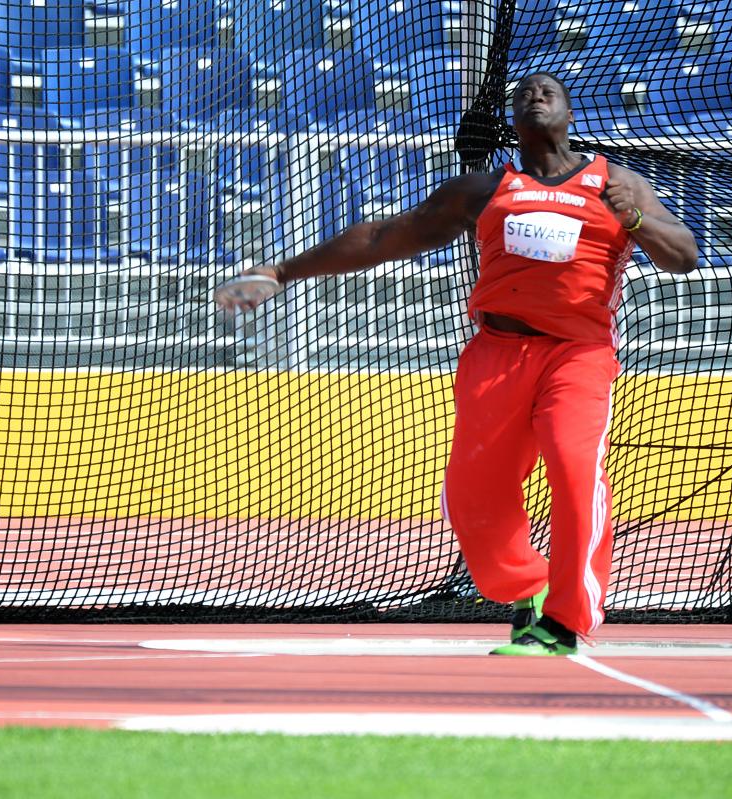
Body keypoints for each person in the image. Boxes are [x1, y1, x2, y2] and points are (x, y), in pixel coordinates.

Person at [218, 71, 698, 655]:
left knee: (575, 472)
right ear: (512, 122)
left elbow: (685, 257)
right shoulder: (482, 189)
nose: (535, 96)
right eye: (523, 93)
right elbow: (385, 237)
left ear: (570, 113)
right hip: (497, 353)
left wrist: (638, 220)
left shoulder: (616, 184)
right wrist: (281, 271)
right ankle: (530, 585)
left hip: (578, 356)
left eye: (548, 91)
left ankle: (567, 620)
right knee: (473, 495)